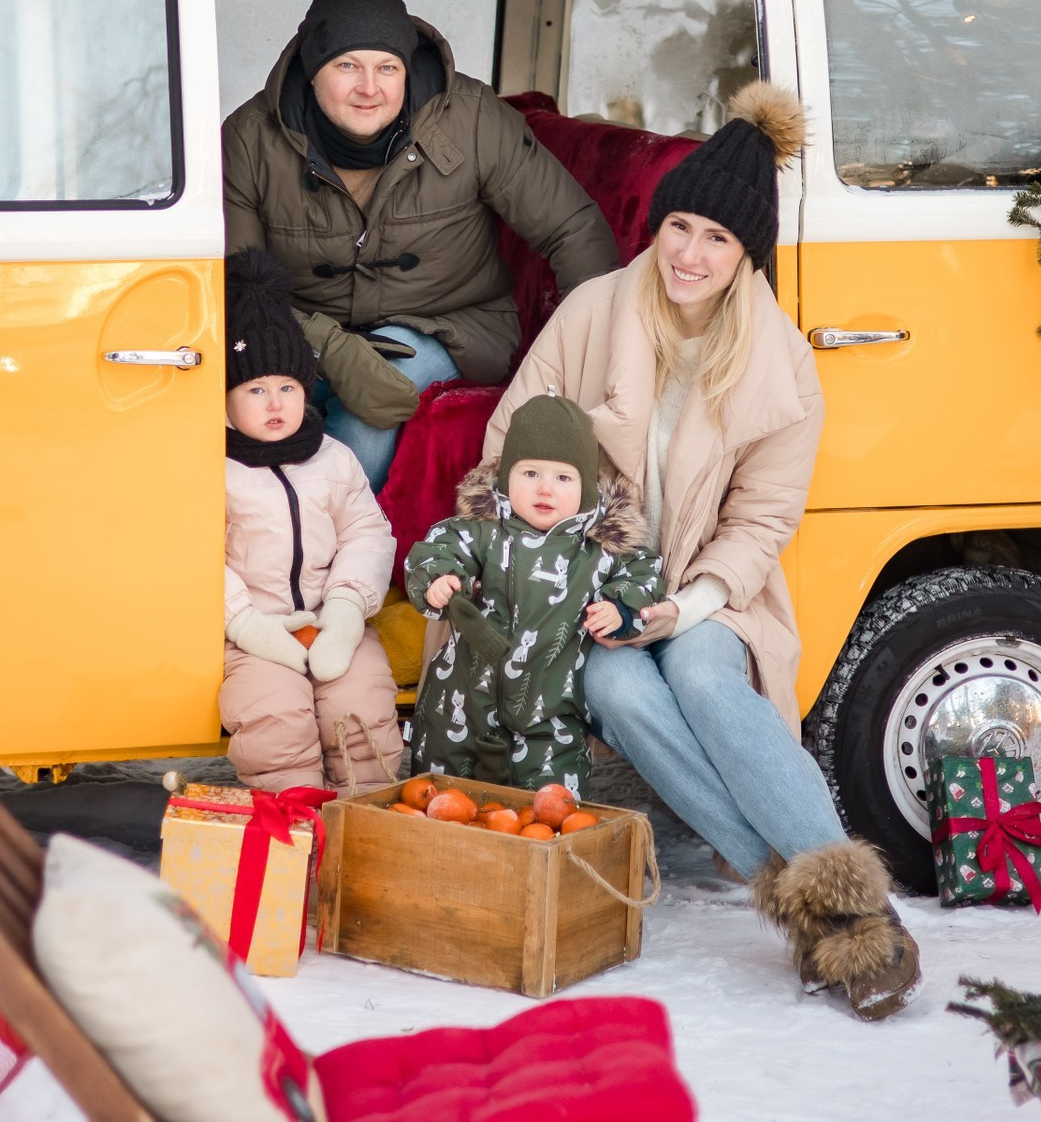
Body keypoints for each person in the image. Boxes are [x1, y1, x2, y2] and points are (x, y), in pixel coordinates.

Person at [479, 81, 921, 1018]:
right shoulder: (597, 311)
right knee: (614, 687)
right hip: (595, 584)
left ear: (744, 254)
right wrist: (582, 565)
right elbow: (511, 444)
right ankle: (822, 914)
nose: (689, 253)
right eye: (679, 226)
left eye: (716, 238)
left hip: (711, 594)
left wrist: (689, 605)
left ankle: (854, 913)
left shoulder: (780, 362)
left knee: (711, 679)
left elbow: (762, 520)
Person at [224, 0, 620, 486]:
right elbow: (238, 283)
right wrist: (328, 346)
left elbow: (572, 228)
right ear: (312, 69)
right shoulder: (250, 138)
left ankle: (328, 537)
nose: (370, 88)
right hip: (305, 329)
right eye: (348, 66)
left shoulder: (473, 120)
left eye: (388, 68)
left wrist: (593, 359)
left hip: (453, 325)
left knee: (381, 391)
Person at [404, 395, 662, 796]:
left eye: (563, 478)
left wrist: (619, 606)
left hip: (550, 722)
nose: (545, 489)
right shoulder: (481, 532)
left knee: (549, 814)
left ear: (586, 488)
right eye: (529, 474)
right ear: (507, 476)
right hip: (459, 709)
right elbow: (437, 548)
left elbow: (644, 574)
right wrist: (439, 578)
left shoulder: (599, 550)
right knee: (441, 802)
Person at [218, 250, 407, 793]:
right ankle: (297, 828)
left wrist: (347, 609)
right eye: (255, 390)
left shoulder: (333, 457)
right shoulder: (213, 470)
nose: (275, 402)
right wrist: (244, 623)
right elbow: (188, 557)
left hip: (332, 621)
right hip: (252, 632)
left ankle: (367, 828)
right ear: (227, 400)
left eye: (289, 388)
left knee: (362, 711)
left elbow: (366, 533)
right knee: (277, 722)